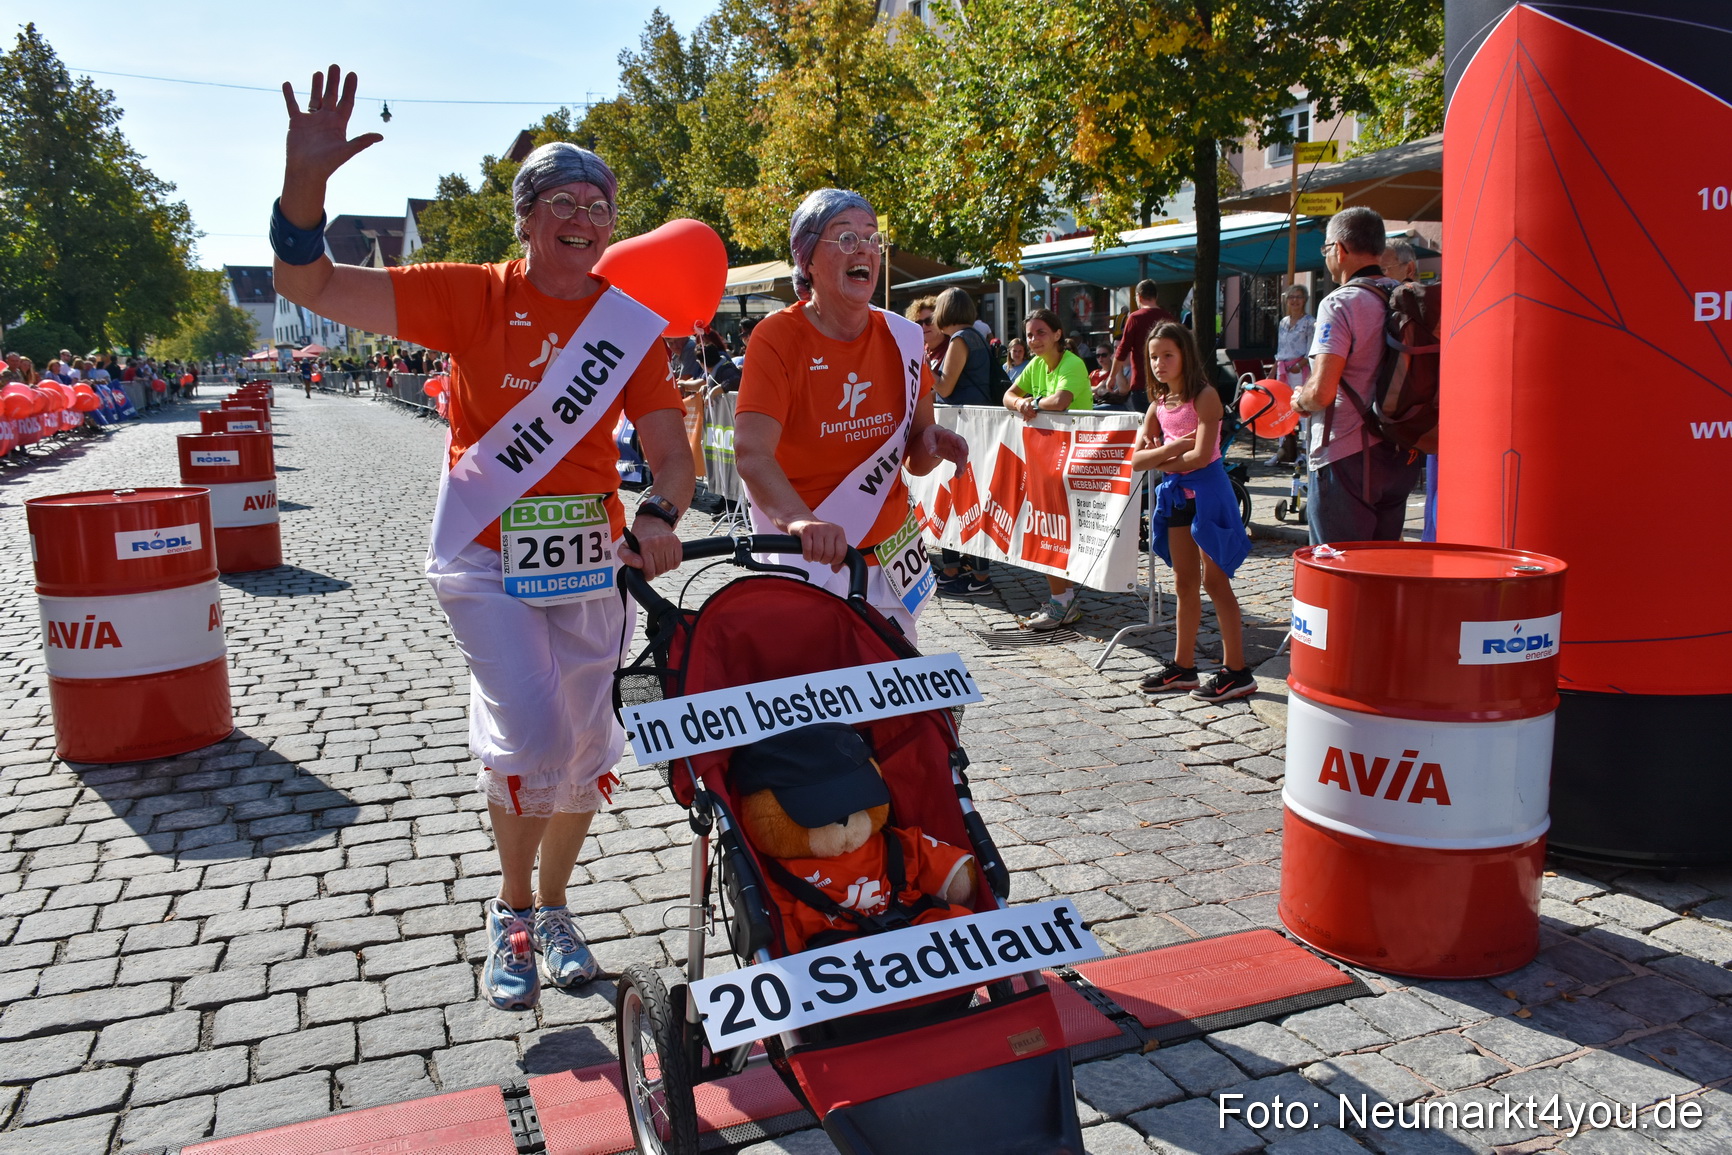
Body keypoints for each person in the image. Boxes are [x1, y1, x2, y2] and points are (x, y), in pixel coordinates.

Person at [271, 66, 694, 1012]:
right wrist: (307, 187)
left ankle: (554, 908)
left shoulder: (629, 325)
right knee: (534, 729)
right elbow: (309, 279)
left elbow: (670, 450)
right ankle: (508, 910)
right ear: (525, 217)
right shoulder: (469, 294)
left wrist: (663, 510)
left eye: (601, 203)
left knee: (587, 744)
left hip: (590, 552)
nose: (584, 217)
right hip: (482, 553)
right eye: (561, 202)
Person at [734, 188, 968, 643]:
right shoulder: (777, 338)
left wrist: (933, 442)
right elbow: (752, 453)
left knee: (890, 697)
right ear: (808, 262)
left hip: (889, 555)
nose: (864, 248)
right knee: (815, 699)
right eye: (844, 239)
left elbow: (916, 457)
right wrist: (800, 521)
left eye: (871, 237)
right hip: (806, 556)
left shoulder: (903, 338)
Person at [1133, 322, 1254, 701]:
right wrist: (1172, 451)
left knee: (1215, 582)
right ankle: (1183, 667)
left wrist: (1165, 456)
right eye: (1153, 356)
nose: (1159, 363)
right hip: (1176, 498)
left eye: (1167, 354)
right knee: (1184, 581)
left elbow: (1202, 455)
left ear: (1185, 354)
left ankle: (1237, 670)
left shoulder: (1205, 396)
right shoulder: (1157, 405)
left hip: (1209, 495)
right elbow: (1137, 459)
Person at [1291, 206, 1423, 545]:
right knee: (1381, 568)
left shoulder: (1339, 303)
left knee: (1339, 570)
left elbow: (1321, 392)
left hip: (1346, 453)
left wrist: (1299, 399)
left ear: (1339, 249)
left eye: (1325, 250)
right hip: (1400, 449)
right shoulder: (1405, 297)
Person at [1004, 307, 1092, 631]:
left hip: (1079, 460)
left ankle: (1064, 600)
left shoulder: (1073, 363)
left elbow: (1061, 401)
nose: (1033, 340)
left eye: (1040, 332)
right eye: (1029, 334)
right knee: (1045, 527)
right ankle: (1062, 600)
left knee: (1053, 529)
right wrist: (1020, 403)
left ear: (1057, 334)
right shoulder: (1035, 365)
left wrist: (1033, 402)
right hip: (1050, 457)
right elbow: (1008, 395)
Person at [930, 287, 995, 597]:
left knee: (968, 499)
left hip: (967, 427)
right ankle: (974, 570)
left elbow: (945, 385)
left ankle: (981, 575)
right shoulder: (977, 337)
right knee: (970, 499)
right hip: (974, 426)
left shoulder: (959, 340)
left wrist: (920, 362)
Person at [1103, 280, 1177, 413]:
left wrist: (1112, 376)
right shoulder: (1168, 317)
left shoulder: (1135, 318)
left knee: (1144, 427)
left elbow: (1122, 350)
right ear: (1156, 296)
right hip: (1166, 383)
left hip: (1142, 384)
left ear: (1139, 296)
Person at [1269, 284, 1314, 465]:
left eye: (1298, 297)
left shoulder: (1310, 322)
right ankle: (1283, 450)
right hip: (1283, 370)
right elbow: (1281, 350)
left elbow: (1311, 349)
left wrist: (1300, 364)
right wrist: (1273, 370)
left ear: (1305, 300)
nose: (1294, 301)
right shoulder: (1283, 322)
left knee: (1301, 408)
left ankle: (1303, 451)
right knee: (1282, 408)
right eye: (1291, 297)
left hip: (1299, 370)